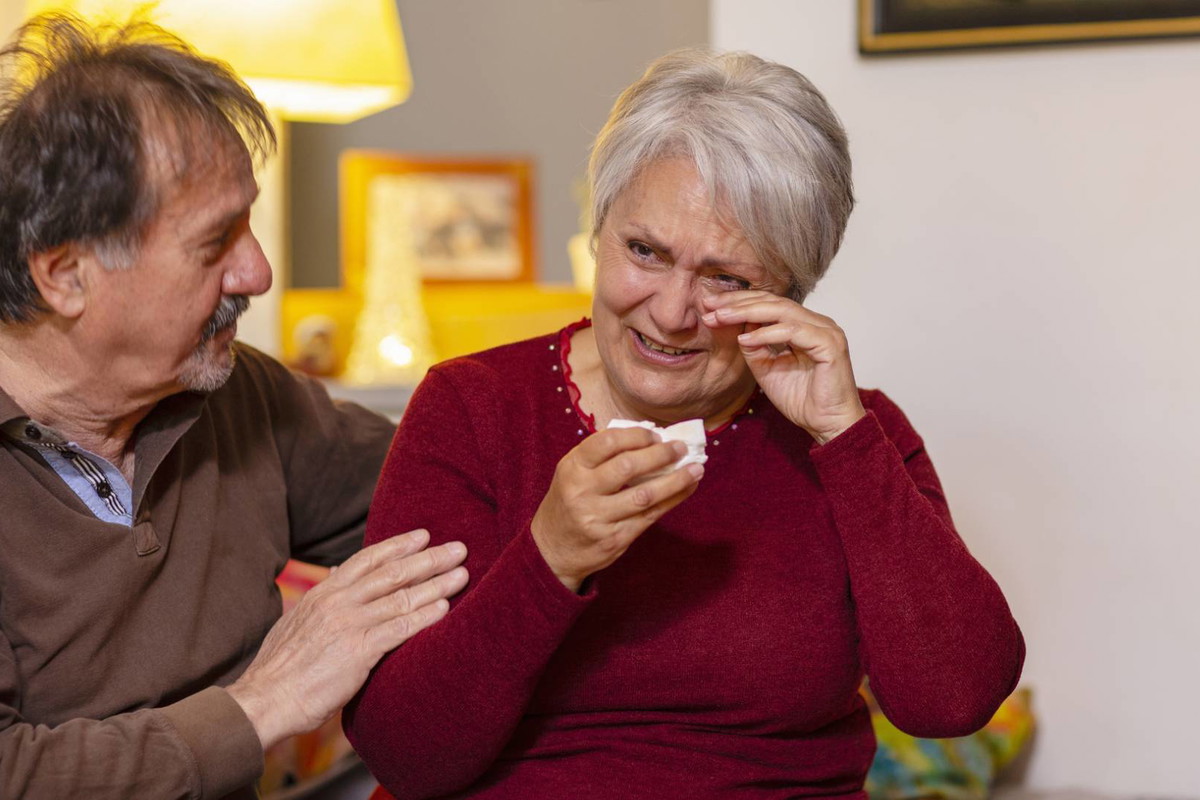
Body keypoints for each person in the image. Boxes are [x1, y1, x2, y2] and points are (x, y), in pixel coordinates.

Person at [345, 48, 1025, 799]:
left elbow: (953, 701)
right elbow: (402, 755)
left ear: (791, 293)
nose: (670, 313)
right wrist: (550, 558)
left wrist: (846, 437)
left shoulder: (857, 434)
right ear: (599, 229)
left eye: (726, 279)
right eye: (645, 251)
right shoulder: (471, 408)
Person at [0, 14, 468, 800]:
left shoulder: (236, 391)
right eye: (215, 242)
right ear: (65, 274)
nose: (258, 272)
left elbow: (458, 492)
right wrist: (263, 704)